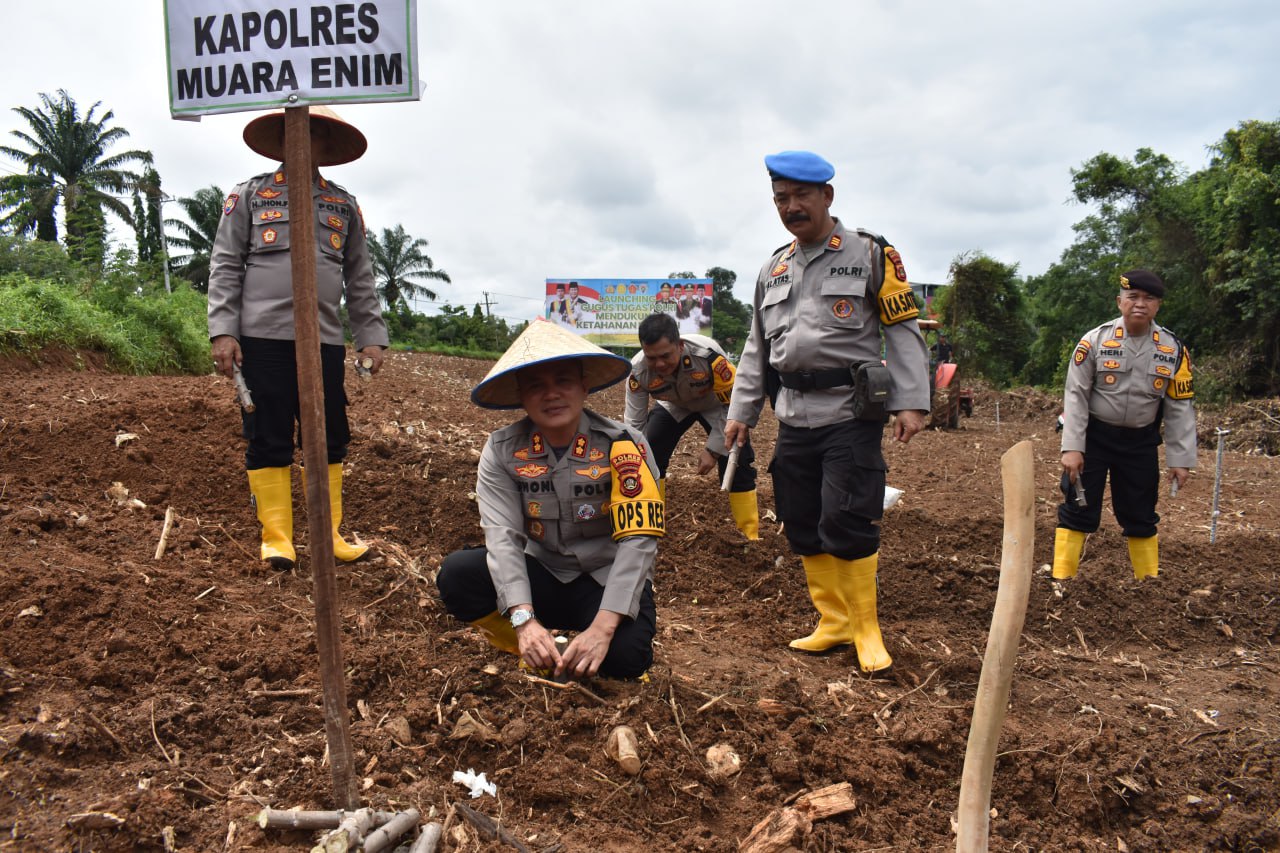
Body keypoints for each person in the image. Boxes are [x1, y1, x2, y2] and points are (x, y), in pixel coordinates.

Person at [724, 150, 929, 673]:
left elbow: (902, 332)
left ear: (826, 197)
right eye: (781, 199)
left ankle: (866, 629)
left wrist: (911, 401)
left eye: (800, 197)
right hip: (793, 412)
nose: (791, 207)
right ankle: (832, 621)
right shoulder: (772, 268)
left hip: (849, 412)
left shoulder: (870, 254)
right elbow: (756, 347)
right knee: (800, 516)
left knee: (848, 514)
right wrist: (742, 410)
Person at [208, 106, 388, 570]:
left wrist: (370, 335)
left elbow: (359, 276)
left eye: (314, 135)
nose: (304, 143)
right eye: (296, 134)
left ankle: (328, 535)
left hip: (324, 341)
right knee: (268, 434)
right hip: (262, 339)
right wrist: (223, 330)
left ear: (326, 145)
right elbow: (226, 264)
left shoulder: (342, 204)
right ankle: (278, 537)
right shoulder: (249, 195)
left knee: (327, 436)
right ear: (282, 140)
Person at [436, 318, 664, 680]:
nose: (552, 394)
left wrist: (603, 628)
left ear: (584, 386)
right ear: (520, 395)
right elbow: (503, 538)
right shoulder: (502, 450)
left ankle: (591, 644)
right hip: (542, 572)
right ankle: (535, 650)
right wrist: (523, 620)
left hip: (604, 580)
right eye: (536, 386)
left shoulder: (625, 444)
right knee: (458, 575)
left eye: (563, 381)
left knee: (626, 659)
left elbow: (639, 540)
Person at [1052, 269, 1196, 581]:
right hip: (1094, 438)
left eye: (1149, 298)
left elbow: (1179, 407)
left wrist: (1180, 459)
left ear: (1158, 306)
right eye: (1133, 297)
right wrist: (1073, 447)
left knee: (1141, 514)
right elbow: (1075, 396)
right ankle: (1061, 582)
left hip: (1140, 442)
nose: (1140, 304)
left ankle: (1149, 586)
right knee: (1079, 507)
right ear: (1120, 302)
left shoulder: (1173, 350)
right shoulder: (1094, 342)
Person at [624, 312, 760, 540]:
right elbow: (635, 425)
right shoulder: (638, 372)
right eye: (652, 358)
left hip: (716, 405)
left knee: (737, 456)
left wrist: (713, 450)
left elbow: (736, 406)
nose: (659, 364)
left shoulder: (709, 358)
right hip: (674, 405)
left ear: (680, 345)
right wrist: (636, 456)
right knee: (649, 448)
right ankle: (651, 526)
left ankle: (749, 533)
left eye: (665, 356)